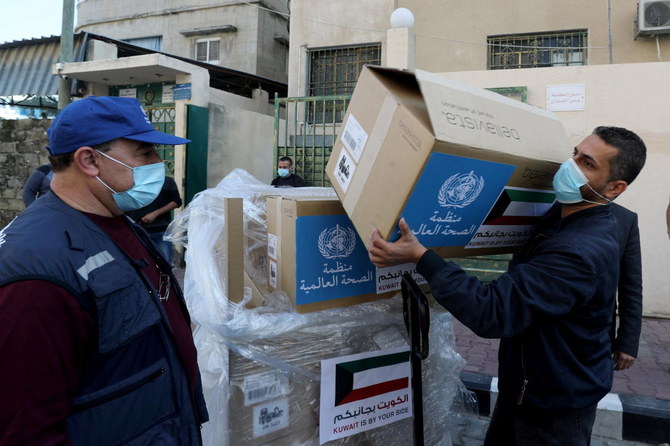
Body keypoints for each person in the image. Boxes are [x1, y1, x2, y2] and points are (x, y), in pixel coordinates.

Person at [368, 126, 646, 445]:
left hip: (554, 408)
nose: (570, 165)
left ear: (614, 188)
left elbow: (493, 311)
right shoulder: (559, 216)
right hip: (523, 388)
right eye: (575, 153)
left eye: (587, 163)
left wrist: (421, 257)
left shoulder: (578, 251)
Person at [0, 96, 208, 445]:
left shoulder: (114, 220)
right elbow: (26, 430)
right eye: (145, 153)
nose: (159, 163)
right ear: (89, 160)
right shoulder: (35, 275)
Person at [610, 203, 643, 371]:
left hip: (596, 339)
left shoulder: (624, 219)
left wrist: (628, 341)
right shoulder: (543, 209)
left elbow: (631, 286)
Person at [126, 175, 182, 265]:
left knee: (165, 264)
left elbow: (176, 201)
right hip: (135, 231)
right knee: (140, 265)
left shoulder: (167, 181)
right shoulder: (128, 180)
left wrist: (155, 213)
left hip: (160, 231)